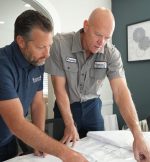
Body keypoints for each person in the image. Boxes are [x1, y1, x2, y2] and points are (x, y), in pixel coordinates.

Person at [45, 7, 150, 162]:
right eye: (98, 35)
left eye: (107, 37)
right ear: (86, 25)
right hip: (66, 107)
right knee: (63, 154)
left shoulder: (111, 53)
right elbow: (59, 89)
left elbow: (121, 92)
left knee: (98, 155)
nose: (101, 42)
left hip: (92, 108)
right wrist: (69, 122)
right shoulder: (60, 44)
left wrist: (138, 135)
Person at [0, 10, 88, 162]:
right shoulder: (3, 65)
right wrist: (67, 154)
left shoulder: (37, 60)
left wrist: (38, 140)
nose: (47, 54)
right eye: (41, 47)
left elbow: (38, 103)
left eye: (50, 46)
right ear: (21, 41)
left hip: (8, 141)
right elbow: (17, 123)